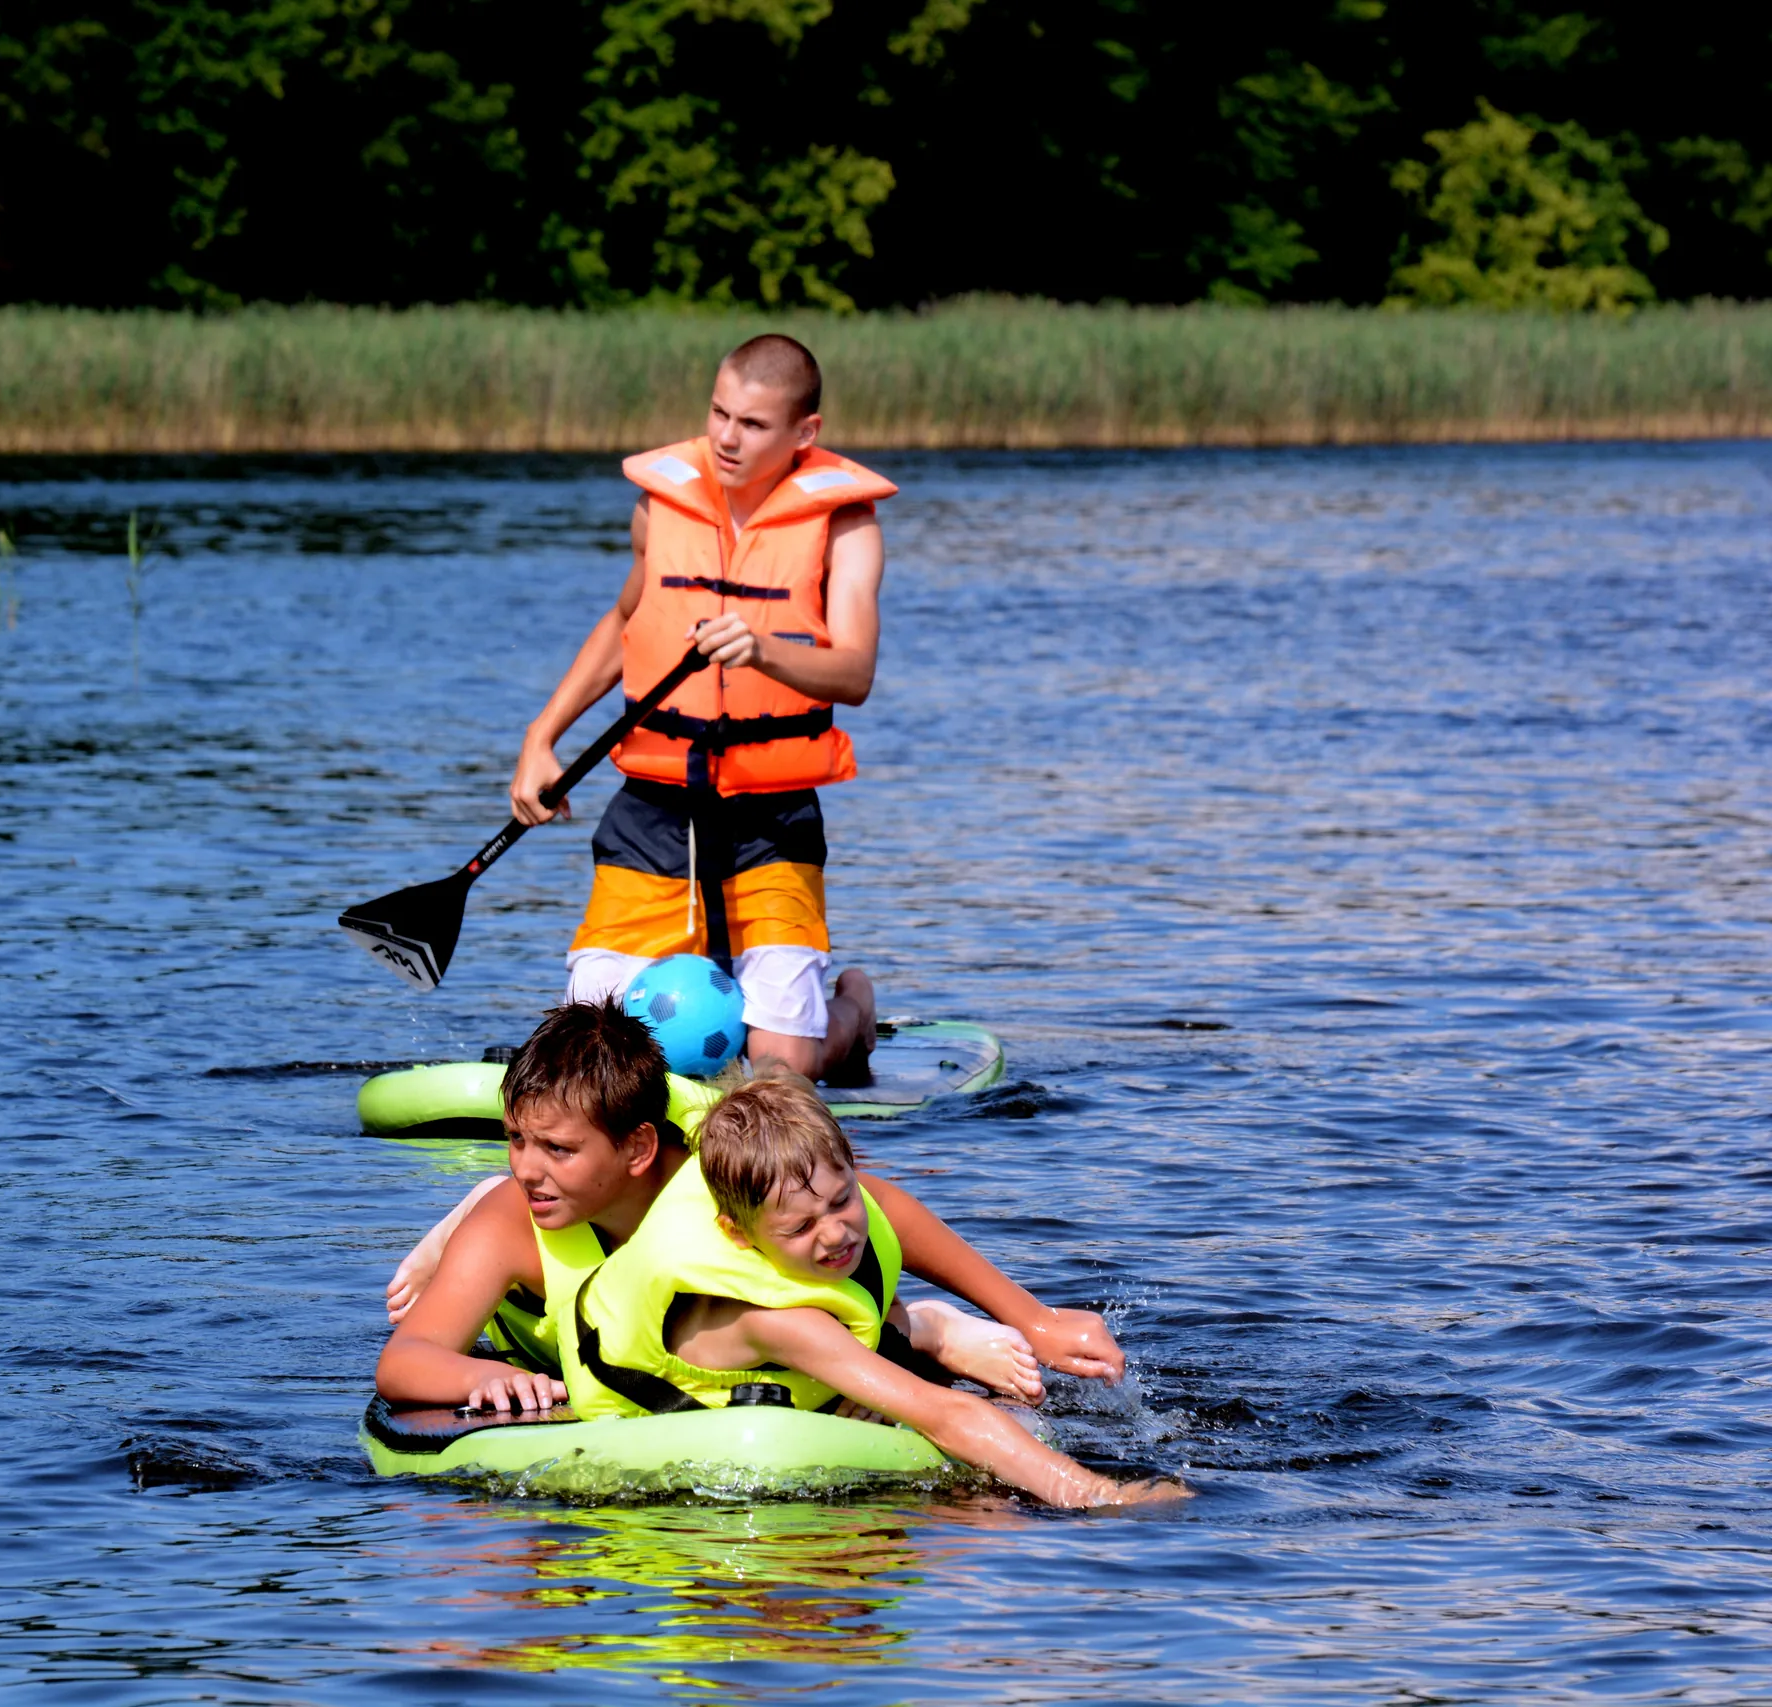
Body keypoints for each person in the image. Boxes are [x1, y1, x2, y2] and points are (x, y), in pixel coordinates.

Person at [375, 1002, 1124, 1414]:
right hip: (561, 1348)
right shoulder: (514, 1216)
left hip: (738, 1316)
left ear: (638, 1149)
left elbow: (879, 1204)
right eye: (515, 1142)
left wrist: (1036, 1318)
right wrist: (477, 1380)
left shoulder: (715, 1165)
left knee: (811, 1245)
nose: (527, 1171)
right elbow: (406, 1360)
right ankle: (447, 1222)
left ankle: (918, 1326)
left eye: (558, 1151)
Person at [509, 334, 887, 1082]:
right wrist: (541, 736)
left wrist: (762, 648)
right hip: (652, 811)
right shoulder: (662, 505)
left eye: (751, 424)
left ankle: (854, 1010)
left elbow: (854, 671)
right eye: (718, 413)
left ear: (803, 433)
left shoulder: (846, 526)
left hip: (770, 820)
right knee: (588, 1055)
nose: (725, 437)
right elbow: (627, 623)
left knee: (783, 1070)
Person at [571, 1073, 1188, 1508]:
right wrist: (1097, 1493)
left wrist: (1035, 1319)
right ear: (737, 1234)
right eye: (802, 1227)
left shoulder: (809, 1197)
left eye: (843, 1201)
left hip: (827, 1351)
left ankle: (919, 1326)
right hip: (661, 1384)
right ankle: (923, 1329)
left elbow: (888, 1213)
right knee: (982, 1520)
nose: (836, 1232)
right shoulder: (778, 1320)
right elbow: (944, 1417)